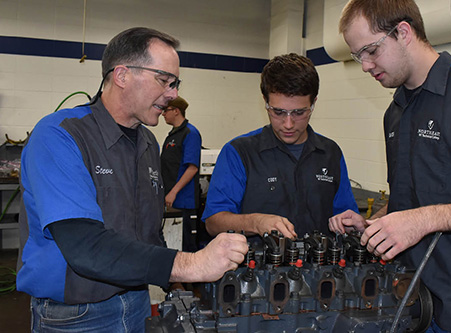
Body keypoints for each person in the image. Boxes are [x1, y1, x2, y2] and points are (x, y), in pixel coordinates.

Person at [16, 27, 248, 333]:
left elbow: (149, 233)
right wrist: (193, 264)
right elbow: (84, 247)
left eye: (175, 83)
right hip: (76, 317)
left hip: (137, 303)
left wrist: (175, 285)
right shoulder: (59, 136)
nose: (173, 94)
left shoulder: (147, 143)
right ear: (122, 75)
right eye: (165, 80)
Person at [329, 1, 451, 331]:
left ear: (403, 32)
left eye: (371, 51)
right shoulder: (395, 113)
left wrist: (422, 220)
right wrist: (374, 225)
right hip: (411, 303)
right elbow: (409, 201)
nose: (365, 66)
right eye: (357, 56)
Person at [202, 53, 358, 243]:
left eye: (299, 112)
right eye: (278, 112)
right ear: (265, 103)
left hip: (320, 270)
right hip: (258, 270)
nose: (288, 124)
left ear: (313, 103)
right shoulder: (239, 152)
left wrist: (352, 224)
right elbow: (213, 223)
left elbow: (346, 215)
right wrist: (255, 222)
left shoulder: (330, 153)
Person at [160, 96, 202, 252]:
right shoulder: (172, 135)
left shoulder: (190, 133)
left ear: (176, 111)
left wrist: (173, 192)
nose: (163, 114)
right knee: (172, 244)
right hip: (171, 200)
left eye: (166, 110)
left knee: (186, 246)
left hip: (183, 200)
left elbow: (192, 168)